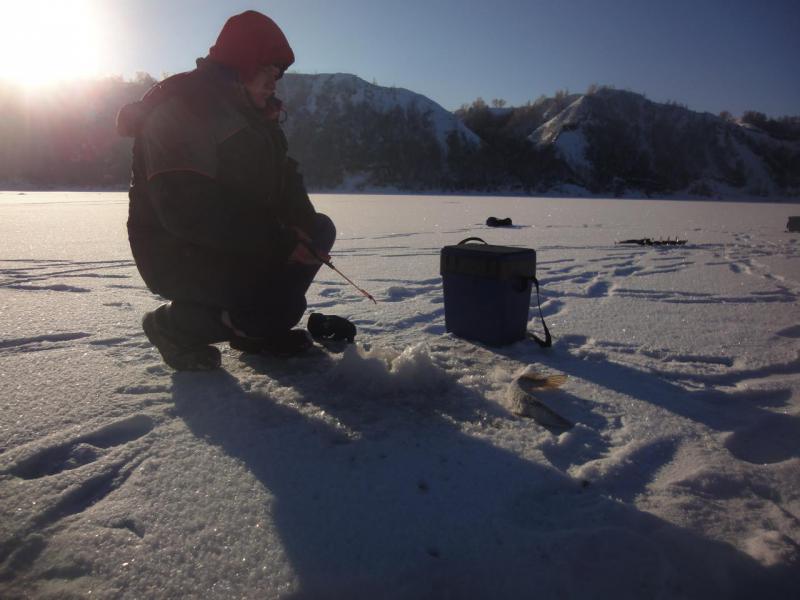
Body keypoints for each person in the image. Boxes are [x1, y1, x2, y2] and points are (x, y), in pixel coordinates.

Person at [117, 10, 336, 371]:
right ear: (242, 64)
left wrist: (300, 227)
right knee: (277, 307)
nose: (273, 84)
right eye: (268, 72)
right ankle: (172, 327)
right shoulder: (183, 109)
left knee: (318, 229)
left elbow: (287, 179)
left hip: (233, 243)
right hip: (177, 251)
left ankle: (255, 330)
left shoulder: (256, 117)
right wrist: (281, 241)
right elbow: (187, 210)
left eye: (277, 76)